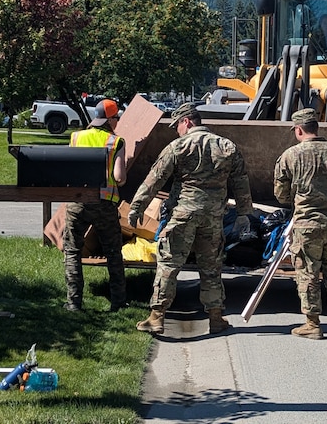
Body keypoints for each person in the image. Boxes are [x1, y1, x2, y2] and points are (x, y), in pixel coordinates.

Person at [128, 102, 253, 335]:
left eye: (177, 125)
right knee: (211, 267)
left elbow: (154, 179)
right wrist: (244, 213)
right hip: (214, 217)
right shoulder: (227, 146)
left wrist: (137, 207)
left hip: (183, 215)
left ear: (187, 121)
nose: (177, 130)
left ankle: (157, 317)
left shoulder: (177, 146)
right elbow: (241, 182)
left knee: (169, 265)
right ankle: (216, 318)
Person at [273, 107, 327, 339]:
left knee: (308, 274)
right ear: (316, 128)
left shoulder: (290, 155)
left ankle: (312, 324)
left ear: (299, 129)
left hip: (307, 226)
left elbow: (280, 194)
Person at [63, 98, 127, 312]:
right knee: (113, 251)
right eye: (117, 117)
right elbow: (119, 177)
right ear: (110, 119)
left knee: (72, 250)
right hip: (104, 204)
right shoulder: (116, 142)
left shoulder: (75, 137)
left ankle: (74, 302)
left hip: (78, 202)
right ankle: (118, 302)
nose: (118, 121)